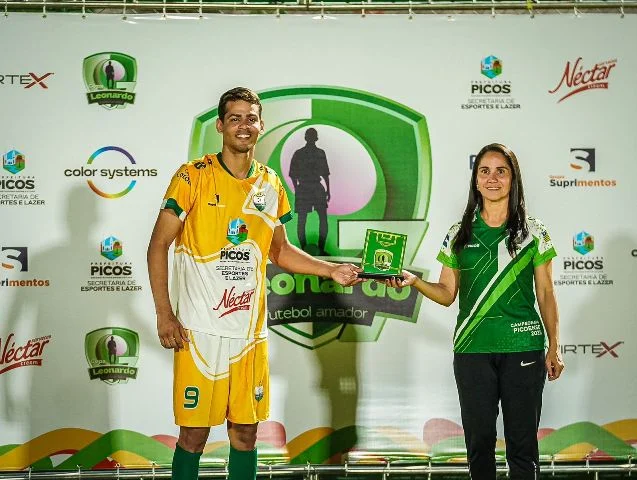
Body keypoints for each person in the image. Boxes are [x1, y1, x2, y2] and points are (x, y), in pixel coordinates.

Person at [146, 87, 361, 480]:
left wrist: (329, 270)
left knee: (246, 434)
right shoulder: (192, 176)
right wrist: (164, 314)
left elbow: (280, 251)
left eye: (251, 118)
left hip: (249, 335)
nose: (243, 126)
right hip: (199, 332)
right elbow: (158, 245)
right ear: (220, 126)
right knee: (193, 435)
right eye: (235, 118)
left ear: (261, 125)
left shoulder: (271, 183)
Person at [387, 143, 565, 480]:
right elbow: (446, 294)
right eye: (485, 171)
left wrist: (554, 345)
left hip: (523, 349)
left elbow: (546, 293)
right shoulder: (459, 233)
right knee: (479, 447)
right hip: (472, 351)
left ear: (513, 179)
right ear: (476, 180)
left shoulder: (533, 232)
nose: (492, 178)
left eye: (501, 171)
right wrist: (415, 281)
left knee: (523, 448)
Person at [288, 127, 331, 256]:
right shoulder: (317, 153)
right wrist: (328, 190)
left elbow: (293, 175)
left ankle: (308, 249)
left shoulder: (301, 153)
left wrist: (297, 188)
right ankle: (309, 249)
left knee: (307, 219)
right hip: (311, 187)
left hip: (308, 188)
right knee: (313, 219)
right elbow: (325, 174)